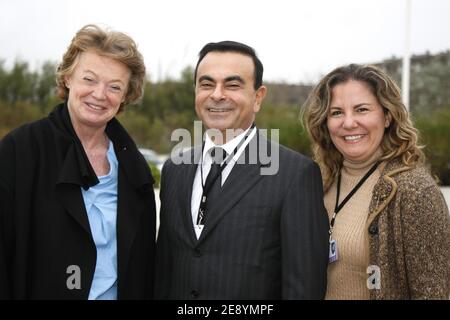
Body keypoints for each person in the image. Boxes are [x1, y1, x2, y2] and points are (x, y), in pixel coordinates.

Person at [155, 41, 329, 299]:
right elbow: (165, 272)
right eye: (206, 84)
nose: (217, 94)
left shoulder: (295, 175)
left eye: (232, 85)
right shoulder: (174, 170)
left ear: (258, 97)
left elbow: (303, 288)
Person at [0, 24, 156, 299]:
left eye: (114, 86)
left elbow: (143, 265)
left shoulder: (134, 168)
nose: (99, 94)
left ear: (125, 96)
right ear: (68, 77)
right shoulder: (20, 150)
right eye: (89, 79)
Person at [303, 63, 450, 299]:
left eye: (361, 109)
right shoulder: (317, 182)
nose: (348, 123)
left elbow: (434, 292)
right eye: (337, 112)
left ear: (388, 116)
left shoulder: (414, 192)